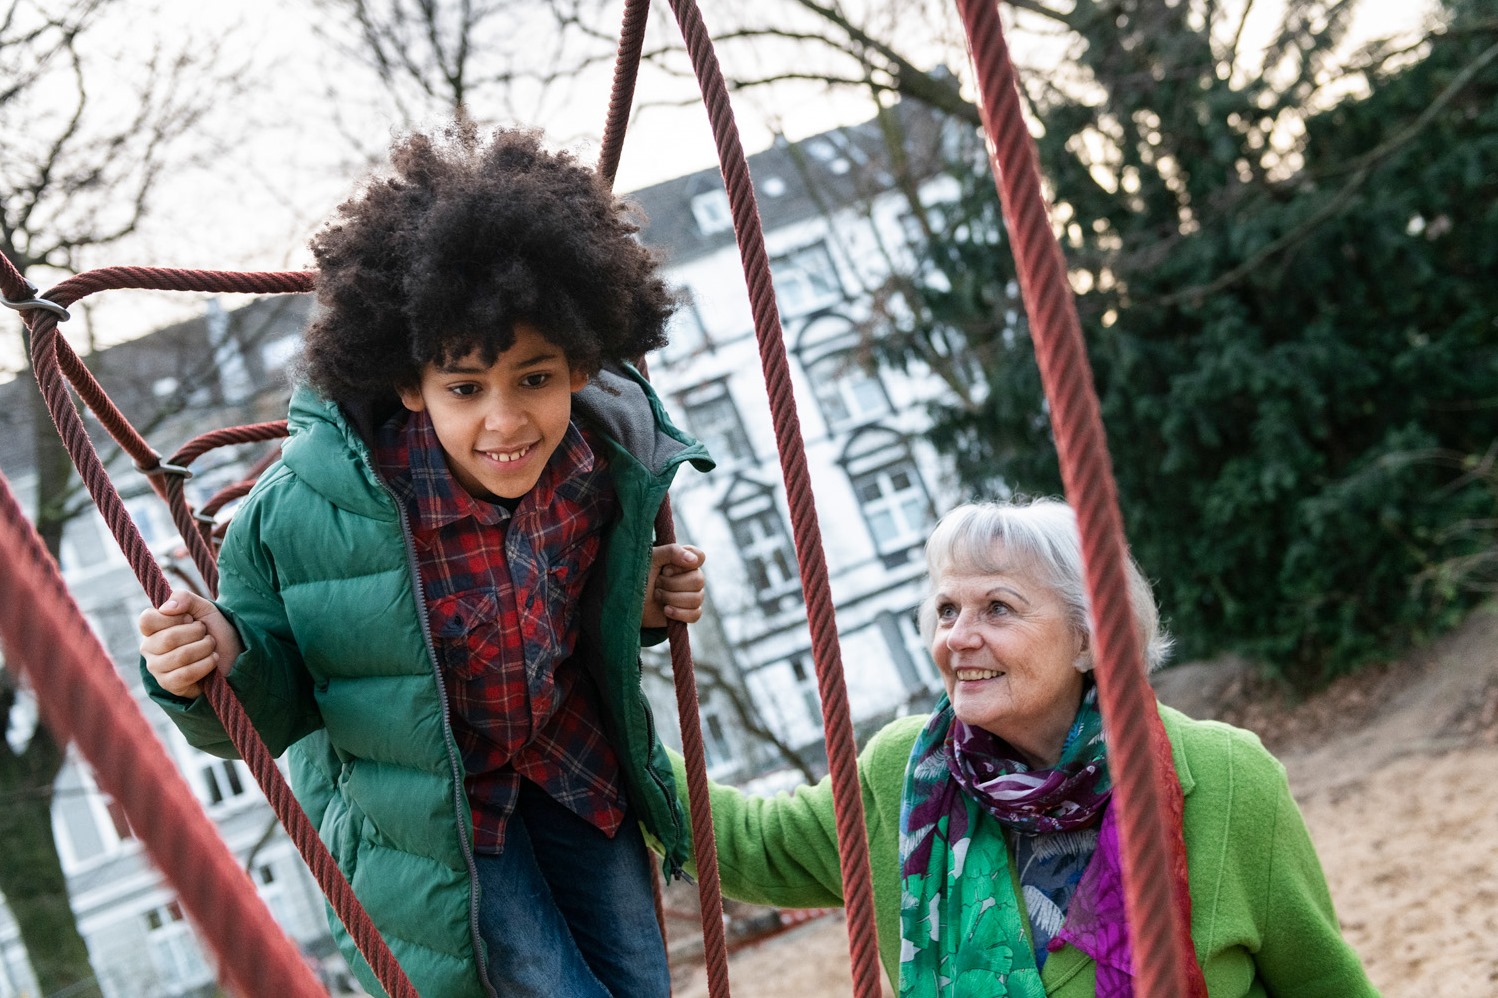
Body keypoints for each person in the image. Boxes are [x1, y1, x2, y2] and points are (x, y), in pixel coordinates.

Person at [138, 123, 713, 998]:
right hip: (434, 815)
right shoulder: (306, 516)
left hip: (570, 768)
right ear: (411, 383)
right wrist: (210, 668)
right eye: (465, 388)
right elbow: (275, 708)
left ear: (582, 364)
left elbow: (571, 614)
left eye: (535, 378)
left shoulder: (596, 470)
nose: (506, 422)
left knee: (641, 982)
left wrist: (633, 605)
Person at [675, 498, 1378, 996]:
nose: (958, 636)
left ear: (1087, 637)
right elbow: (745, 845)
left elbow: (1324, 983)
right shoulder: (903, 778)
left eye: (998, 609)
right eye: (947, 610)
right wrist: (592, 684)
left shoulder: (1228, 778)